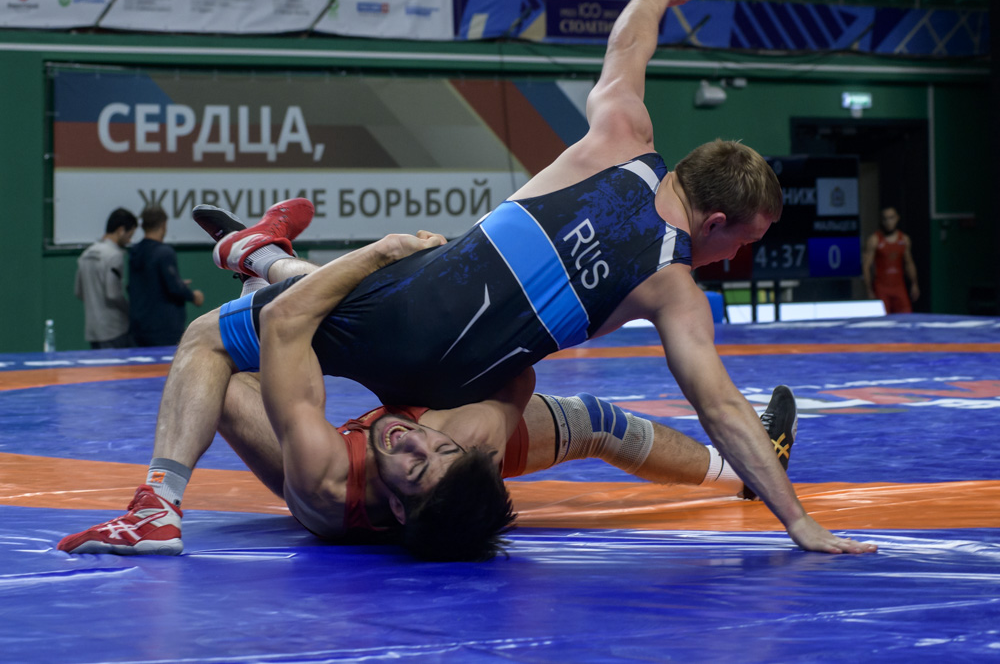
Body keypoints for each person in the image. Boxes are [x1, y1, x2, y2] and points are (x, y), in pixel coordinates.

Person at [64, 0, 875, 559]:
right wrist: (798, 521)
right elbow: (719, 405)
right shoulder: (672, 286)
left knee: (216, 337)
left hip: (403, 315)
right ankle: (264, 259)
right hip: (464, 391)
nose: (731, 260)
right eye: (740, 245)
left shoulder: (620, 136)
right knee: (576, 412)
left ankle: (161, 499)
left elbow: (628, 47)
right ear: (719, 221)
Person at [59, 221, 800, 560]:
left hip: (314, 474)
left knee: (214, 345)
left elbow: (288, 324)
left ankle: (159, 502)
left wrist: (382, 252)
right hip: (444, 445)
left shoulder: (320, 467)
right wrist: (452, 386)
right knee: (593, 421)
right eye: (433, 446)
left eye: (417, 458)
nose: (409, 437)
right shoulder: (462, 444)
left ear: (399, 505)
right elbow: (520, 376)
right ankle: (743, 469)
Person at [127, 205, 204, 347]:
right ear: (164, 224)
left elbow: (149, 283)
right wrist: (193, 296)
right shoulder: (164, 252)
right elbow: (174, 287)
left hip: (138, 329)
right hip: (163, 330)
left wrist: (177, 283)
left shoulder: (135, 251)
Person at [74, 209, 138, 350]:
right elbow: (113, 294)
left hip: (93, 330)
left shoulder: (85, 254)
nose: (129, 241)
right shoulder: (114, 255)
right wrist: (130, 311)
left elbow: (78, 292)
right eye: (129, 235)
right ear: (121, 230)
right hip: (114, 329)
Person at [863, 206, 919, 314]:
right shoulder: (874, 240)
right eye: (885, 219)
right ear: (881, 220)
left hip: (899, 288)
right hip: (881, 288)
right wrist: (869, 290)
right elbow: (866, 267)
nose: (888, 222)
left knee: (906, 317)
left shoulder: (904, 239)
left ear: (897, 218)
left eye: (891, 218)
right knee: (883, 321)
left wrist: (914, 283)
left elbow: (909, 263)